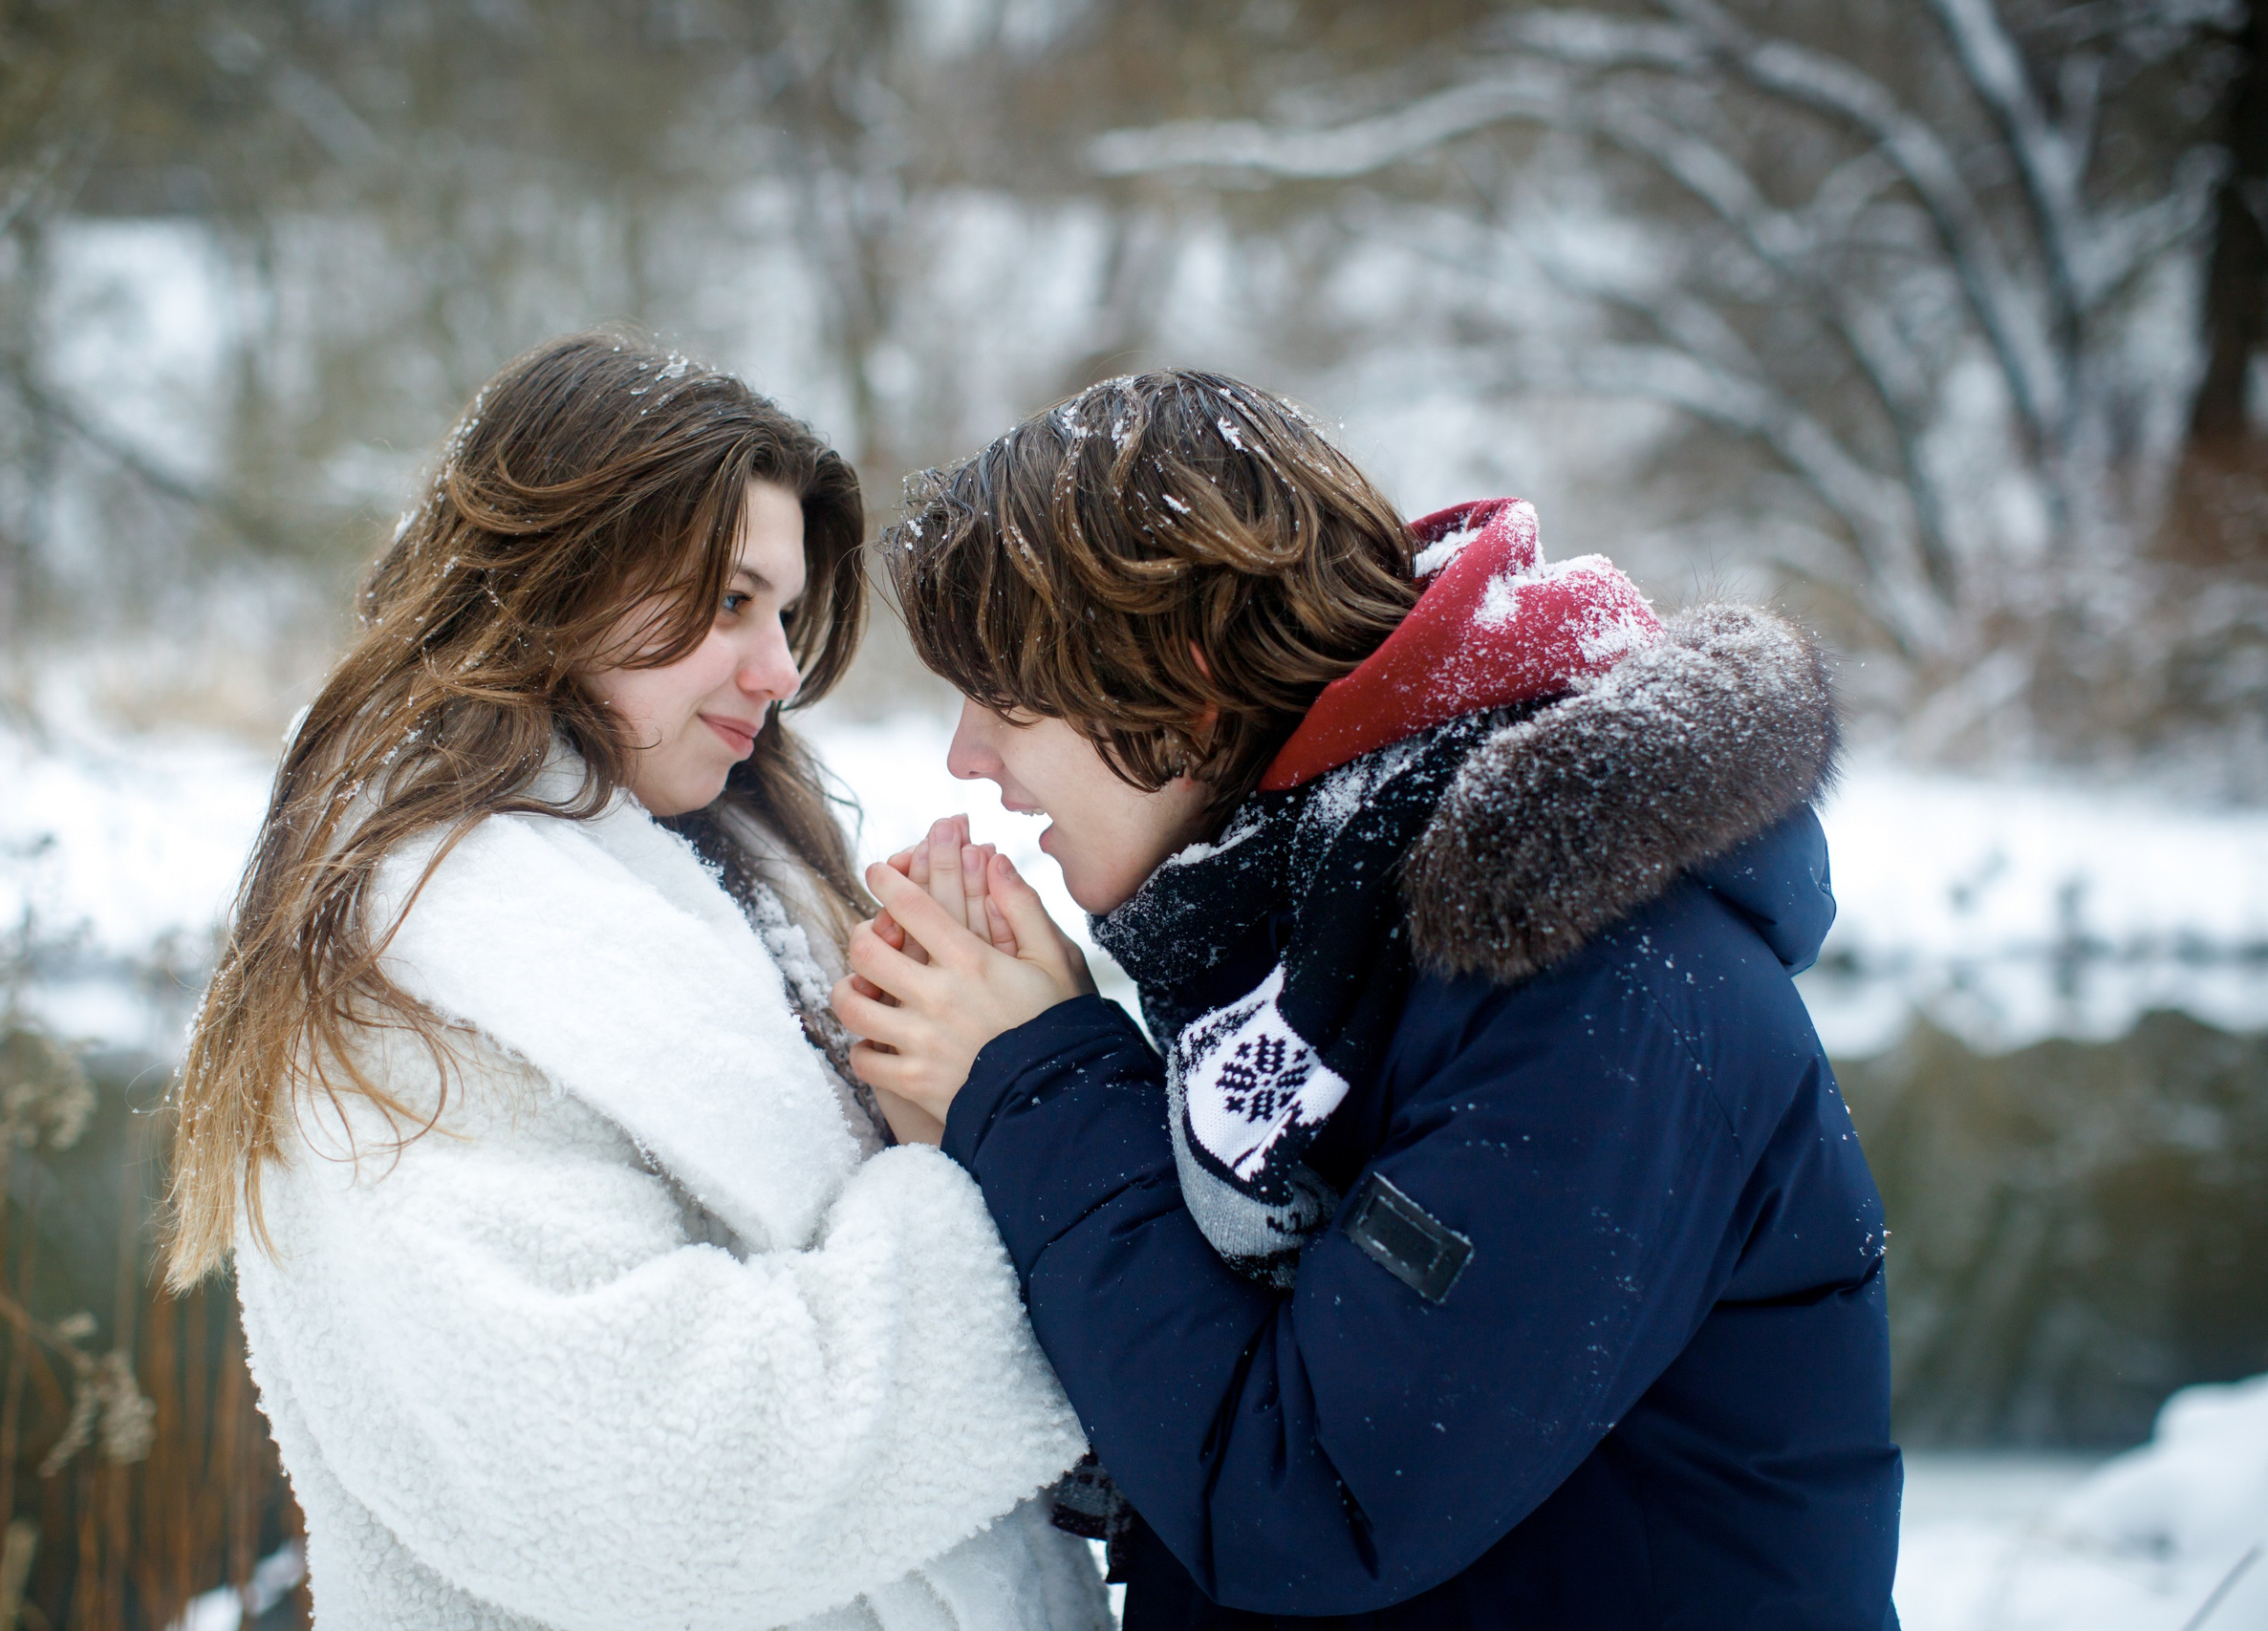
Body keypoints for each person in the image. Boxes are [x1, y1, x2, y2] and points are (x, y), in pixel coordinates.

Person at [835, 371, 1902, 1629]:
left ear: (1182, 683)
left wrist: (1041, 1085)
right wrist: (972, 1126)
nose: (967, 755)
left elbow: (1317, 1500)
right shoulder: (1315, 935)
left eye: (1004, 697)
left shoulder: (1600, 982)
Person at [164, 333, 1108, 1631]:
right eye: (728, 602)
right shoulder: (417, 976)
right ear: (556, 583)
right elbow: (643, 1492)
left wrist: (983, 1063)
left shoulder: (738, 885)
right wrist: (1009, 1182)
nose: (778, 671)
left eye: (781, 614)